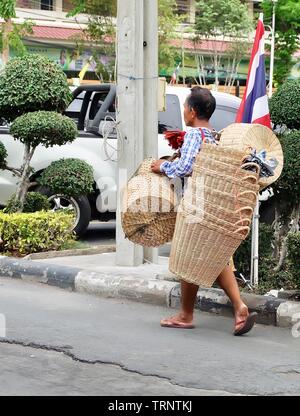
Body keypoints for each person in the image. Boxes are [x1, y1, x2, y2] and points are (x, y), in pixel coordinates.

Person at [151, 86, 257, 336]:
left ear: (193, 111)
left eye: (186, 107)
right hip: (216, 203)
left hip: (198, 203)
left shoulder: (194, 136)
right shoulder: (214, 136)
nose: (185, 111)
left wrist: (163, 166)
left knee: (189, 256)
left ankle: (187, 315)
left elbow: (186, 167)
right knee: (217, 256)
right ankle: (237, 307)